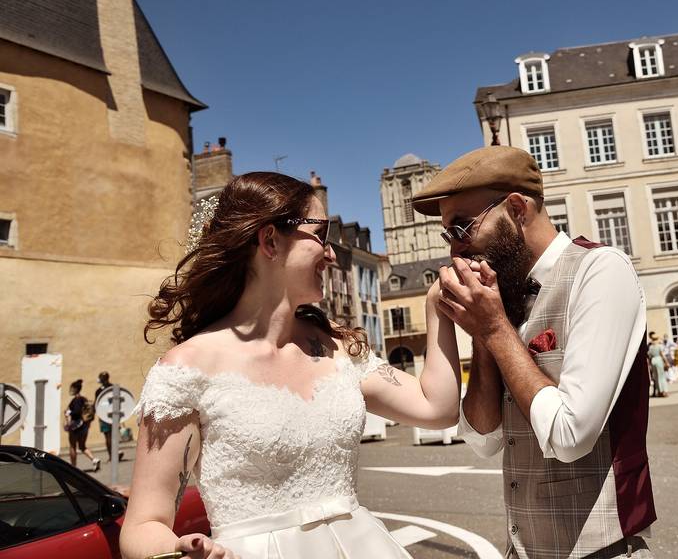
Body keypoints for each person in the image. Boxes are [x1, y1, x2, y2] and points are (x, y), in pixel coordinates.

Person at [119, 172, 462, 559]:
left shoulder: (336, 346)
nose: (331, 254)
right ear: (269, 241)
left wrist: (437, 307)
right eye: (321, 234)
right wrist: (178, 552)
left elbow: (437, 407)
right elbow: (143, 526)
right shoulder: (186, 369)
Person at [411, 146, 656, 559]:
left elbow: (570, 435)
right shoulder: (502, 294)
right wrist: (485, 330)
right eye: (447, 236)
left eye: (462, 228)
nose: (455, 251)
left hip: (604, 550)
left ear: (517, 209)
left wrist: (493, 327)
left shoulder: (601, 270)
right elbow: (484, 439)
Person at [64, 379, 101, 471]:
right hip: (85, 426)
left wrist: (69, 413)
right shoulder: (84, 399)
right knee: (82, 446)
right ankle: (94, 459)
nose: (70, 390)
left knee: (72, 446)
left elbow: (76, 412)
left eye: (72, 388)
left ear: (76, 389)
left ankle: (73, 467)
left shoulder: (76, 400)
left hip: (76, 426)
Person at [94, 371, 124, 462]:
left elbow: (97, 404)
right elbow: (119, 402)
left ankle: (112, 456)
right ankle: (115, 454)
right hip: (113, 414)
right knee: (113, 435)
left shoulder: (99, 391)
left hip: (104, 415)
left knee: (108, 436)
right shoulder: (113, 388)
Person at [648, 333, 668, 398]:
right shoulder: (659, 346)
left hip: (653, 360)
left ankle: (659, 391)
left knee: (656, 377)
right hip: (658, 360)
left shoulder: (651, 347)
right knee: (661, 376)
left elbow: (649, 356)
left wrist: (650, 364)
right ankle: (663, 391)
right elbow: (662, 354)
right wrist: (666, 362)